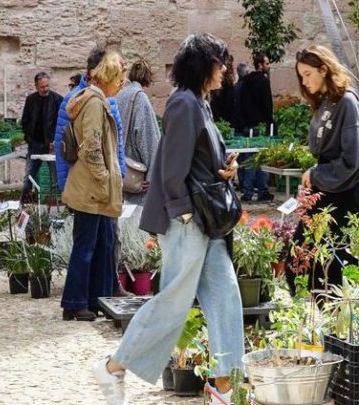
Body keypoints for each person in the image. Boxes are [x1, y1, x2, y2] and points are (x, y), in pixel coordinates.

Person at [92, 33, 245, 405]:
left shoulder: (200, 104)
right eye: (219, 62)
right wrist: (185, 211)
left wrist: (223, 169)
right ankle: (113, 367)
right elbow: (170, 167)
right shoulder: (183, 104)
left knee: (226, 297)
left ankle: (224, 385)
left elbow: (194, 160)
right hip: (187, 220)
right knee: (174, 303)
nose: (224, 69)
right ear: (203, 66)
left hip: (204, 222)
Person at [286, 45, 359, 294]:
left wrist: (317, 174)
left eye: (308, 74)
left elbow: (354, 160)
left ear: (324, 69)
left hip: (342, 197)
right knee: (300, 262)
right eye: (301, 76)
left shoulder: (347, 102)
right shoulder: (326, 103)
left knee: (337, 267)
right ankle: (323, 324)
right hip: (325, 194)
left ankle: (340, 328)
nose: (304, 81)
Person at [54, 47, 132, 298]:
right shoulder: (95, 102)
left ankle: (100, 297)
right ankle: (76, 301)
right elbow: (91, 148)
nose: (122, 85)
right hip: (92, 188)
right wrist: (106, 178)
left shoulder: (96, 100)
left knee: (103, 245)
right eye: (120, 79)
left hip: (97, 187)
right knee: (86, 247)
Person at [116, 60, 161, 205]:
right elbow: (148, 141)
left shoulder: (119, 95)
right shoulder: (139, 98)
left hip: (119, 170)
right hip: (136, 176)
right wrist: (153, 179)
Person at [20, 71, 62, 203]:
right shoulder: (31, 100)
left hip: (51, 145)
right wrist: (29, 137)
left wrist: (55, 140)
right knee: (29, 177)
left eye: (47, 85)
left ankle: (62, 205)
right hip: (35, 145)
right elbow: (25, 120)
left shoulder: (57, 99)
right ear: (36, 86)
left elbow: (61, 123)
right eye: (42, 87)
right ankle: (25, 204)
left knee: (57, 177)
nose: (46, 89)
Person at [237, 52, 274, 202]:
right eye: (266, 63)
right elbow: (267, 103)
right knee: (256, 159)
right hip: (257, 124)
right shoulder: (263, 81)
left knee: (253, 158)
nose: (268, 65)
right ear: (260, 64)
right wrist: (269, 120)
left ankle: (258, 190)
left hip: (247, 124)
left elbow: (241, 102)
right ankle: (251, 191)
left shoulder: (246, 81)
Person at [209, 54, 235, 123]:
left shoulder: (218, 81)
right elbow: (230, 103)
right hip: (224, 117)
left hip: (216, 115)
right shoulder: (227, 82)